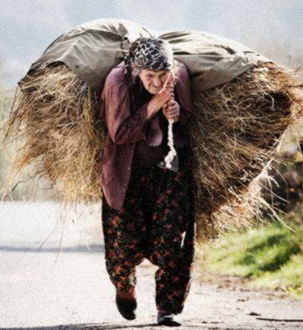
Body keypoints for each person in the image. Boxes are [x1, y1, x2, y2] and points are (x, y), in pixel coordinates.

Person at [100, 37, 196, 326]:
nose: (157, 82)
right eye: (149, 76)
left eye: (162, 76)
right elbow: (119, 133)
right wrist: (154, 105)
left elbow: (190, 116)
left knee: (173, 241)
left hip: (170, 169)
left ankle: (168, 308)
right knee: (123, 246)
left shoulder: (178, 74)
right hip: (127, 173)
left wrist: (178, 113)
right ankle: (125, 287)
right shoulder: (118, 82)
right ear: (135, 70)